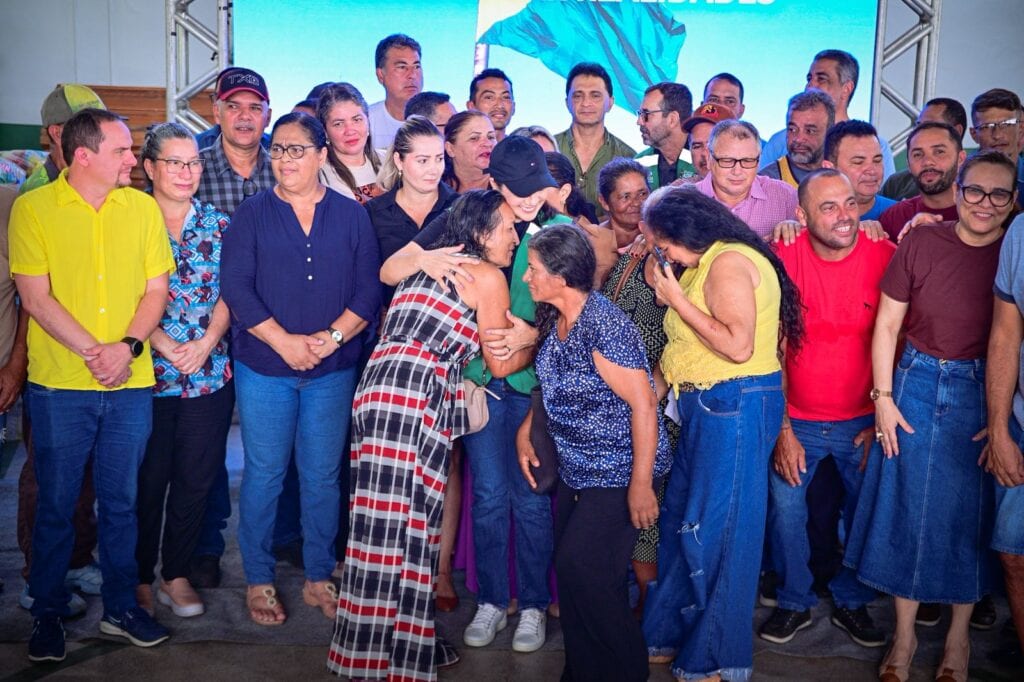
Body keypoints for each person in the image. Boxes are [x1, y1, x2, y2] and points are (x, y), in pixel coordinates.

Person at [330, 189, 525, 681]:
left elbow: (387, 273)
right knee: (412, 524)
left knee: (374, 525)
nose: (516, 236)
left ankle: (364, 649)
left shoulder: (429, 261)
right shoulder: (486, 276)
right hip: (416, 396)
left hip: (376, 388)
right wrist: (535, 336)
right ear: (480, 232)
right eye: (507, 228)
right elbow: (501, 363)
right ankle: (400, 656)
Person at [845, 151, 1018, 682]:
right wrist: (883, 398)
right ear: (957, 190)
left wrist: (1000, 413)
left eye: (999, 194)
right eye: (974, 190)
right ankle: (904, 635)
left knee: (967, 514)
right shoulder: (921, 240)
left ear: (1013, 202)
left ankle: (958, 640)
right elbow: (886, 326)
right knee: (905, 506)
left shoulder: (1013, 253)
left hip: (983, 389)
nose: (984, 203)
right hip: (915, 383)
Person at [11, 107, 175, 661]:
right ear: (83, 155)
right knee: (57, 504)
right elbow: (36, 298)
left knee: (122, 503)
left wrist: (125, 349)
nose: (134, 159)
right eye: (122, 150)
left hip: (130, 383)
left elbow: (156, 290)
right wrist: (96, 353)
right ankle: (47, 611)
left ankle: (122, 608)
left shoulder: (142, 209)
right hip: (60, 386)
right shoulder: (34, 209)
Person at [220, 112, 381, 626]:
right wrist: (285, 343)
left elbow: (368, 291)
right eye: (279, 149)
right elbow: (236, 288)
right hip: (265, 368)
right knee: (265, 474)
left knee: (322, 475)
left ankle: (317, 576)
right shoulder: (252, 214)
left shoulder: (352, 216)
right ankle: (258, 578)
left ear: (321, 155)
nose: (284, 158)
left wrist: (331, 338)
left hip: (332, 369)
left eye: (296, 149)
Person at [641, 187, 803, 682]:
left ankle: (716, 658)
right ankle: (666, 634)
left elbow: (737, 345)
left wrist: (673, 298)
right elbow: (686, 347)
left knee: (721, 532)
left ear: (686, 234)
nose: (663, 256)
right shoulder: (701, 264)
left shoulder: (729, 262)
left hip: (735, 402)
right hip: (705, 405)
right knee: (681, 521)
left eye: (663, 246)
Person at [518, 224, 670, 682]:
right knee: (574, 577)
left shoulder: (603, 324)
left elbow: (644, 404)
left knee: (583, 570)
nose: (526, 277)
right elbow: (553, 381)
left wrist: (640, 485)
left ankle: (626, 672)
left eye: (534, 269)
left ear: (561, 276)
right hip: (577, 468)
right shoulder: (558, 317)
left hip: (618, 470)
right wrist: (526, 430)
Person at [760, 169, 894, 649]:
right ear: (801, 215)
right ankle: (794, 601)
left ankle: (852, 600)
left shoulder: (884, 254)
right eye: (829, 207)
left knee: (864, 513)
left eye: (850, 203)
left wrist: (880, 418)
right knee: (785, 515)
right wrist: (782, 428)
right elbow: (770, 347)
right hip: (796, 419)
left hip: (862, 421)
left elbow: (901, 340)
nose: (845, 216)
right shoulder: (782, 255)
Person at [460, 137, 563, 655]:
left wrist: (534, 336)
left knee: (530, 497)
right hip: (480, 382)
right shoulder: (469, 224)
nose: (528, 198)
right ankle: (492, 600)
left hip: (532, 389)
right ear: (494, 183)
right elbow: (401, 265)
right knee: (488, 496)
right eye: (517, 189)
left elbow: (576, 313)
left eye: (536, 186)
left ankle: (535, 605)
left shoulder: (560, 231)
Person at [134, 123, 234, 618]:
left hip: (208, 373)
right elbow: (118, 294)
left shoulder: (219, 224)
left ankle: (174, 574)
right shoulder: (128, 220)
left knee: (196, 480)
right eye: (174, 162)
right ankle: (136, 577)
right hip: (144, 374)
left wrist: (207, 342)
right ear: (150, 167)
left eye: (193, 162)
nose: (186, 172)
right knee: (147, 481)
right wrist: (164, 343)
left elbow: (234, 291)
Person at [16, 84, 106, 616]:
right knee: (46, 472)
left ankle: (75, 559)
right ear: (58, 134)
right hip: (52, 362)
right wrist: (17, 363)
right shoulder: (36, 196)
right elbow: (29, 297)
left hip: (95, 360)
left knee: (85, 469)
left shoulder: (99, 188)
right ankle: (38, 573)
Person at [191, 66, 276, 589]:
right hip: (209, 330)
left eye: (254, 108)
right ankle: (205, 546)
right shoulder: (193, 166)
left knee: (275, 449)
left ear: (267, 113)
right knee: (207, 448)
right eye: (234, 107)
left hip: (274, 330)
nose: (245, 117)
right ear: (216, 111)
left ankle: (284, 537)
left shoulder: (285, 162)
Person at [761, 49, 896, 178]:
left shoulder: (876, 146)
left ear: (846, 88)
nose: (810, 85)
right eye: (809, 79)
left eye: (821, 79)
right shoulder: (780, 142)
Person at [986, 210, 1024, 668]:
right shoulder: (1021, 232)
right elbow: (1005, 334)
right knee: (1014, 555)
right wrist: (998, 429)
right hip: (1020, 424)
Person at [368, 115, 456, 303]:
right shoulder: (373, 213)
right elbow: (367, 280)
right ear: (399, 160)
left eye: (439, 159)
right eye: (423, 161)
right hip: (391, 316)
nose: (433, 169)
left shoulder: (460, 207)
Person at [555, 62, 637, 217]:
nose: (586, 103)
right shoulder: (547, 149)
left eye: (595, 95)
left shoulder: (628, 158)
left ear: (610, 103)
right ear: (567, 103)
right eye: (578, 96)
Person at [695, 120, 798, 239]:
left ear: (759, 161)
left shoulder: (785, 197)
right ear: (709, 159)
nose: (737, 171)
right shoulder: (684, 202)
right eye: (727, 161)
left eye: (747, 161)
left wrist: (796, 229)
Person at [878, 122, 965, 240]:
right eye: (918, 154)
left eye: (939, 152)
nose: (927, 161)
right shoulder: (893, 217)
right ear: (908, 164)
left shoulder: (979, 213)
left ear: (960, 159)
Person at [20, 83, 106, 195]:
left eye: (100, 126)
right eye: (86, 126)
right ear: (57, 133)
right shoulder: (37, 192)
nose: (100, 135)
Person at [881, 97, 967, 201]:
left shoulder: (975, 186)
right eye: (918, 125)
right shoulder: (896, 183)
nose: (928, 162)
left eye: (939, 152)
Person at [315, 82, 384, 204]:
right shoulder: (317, 174)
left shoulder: (390, 161)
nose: (350, 131)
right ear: (325, 131)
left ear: (368, 121)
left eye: (357, 120)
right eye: (338, 124)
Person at [822, 119, 896, 220]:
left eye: (877, 160)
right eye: (858, 162)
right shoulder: (807, 216)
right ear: (829, 169)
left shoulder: (901, 215)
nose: (872, 171)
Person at [759, 90, 835, 187]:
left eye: (810, 131)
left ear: (829, 132)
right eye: (792, 129)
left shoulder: (843, 175)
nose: (798, 139)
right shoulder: (766, 183)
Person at [635, 82, 698, 188]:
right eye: (639, 114)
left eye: (646, 114)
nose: (639, 122)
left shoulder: (704, 159)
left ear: (672, 119)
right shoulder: (638, 163)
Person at [368, 34, 423, 149]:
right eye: (402, 67)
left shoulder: (439, 119)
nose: (412, 75)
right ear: (380, 75)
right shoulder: (365, 122)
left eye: (416, 67)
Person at [970, 88, 1024, 198]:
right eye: (986, 127)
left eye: (1006, 124)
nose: (997, 135)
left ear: (1021, 129)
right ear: (974, 134)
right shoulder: (957, 178)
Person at [597, 157, 651, 250]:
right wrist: (628, 257)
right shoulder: (592, 241)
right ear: (604, 202)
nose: (636, 203)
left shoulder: (663, 236)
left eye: (642, 194)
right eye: (626, 197)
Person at [441, 110, 496, 192]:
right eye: (474, 138)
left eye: (491, 137)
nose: (488, 143)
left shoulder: (509, 186)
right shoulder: (434, 187)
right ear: (450, 149)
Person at [681, 103, 735, 180]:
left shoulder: (752, 185)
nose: (704, 153)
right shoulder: (681, 186)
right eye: (697, 146)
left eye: (712, 144)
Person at [467, 68, 515, 141]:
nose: (500, 105)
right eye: (489, 97)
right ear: (471, 107)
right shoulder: (458, 146)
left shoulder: (522, 147)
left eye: (506, 97)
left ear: (514, 107)